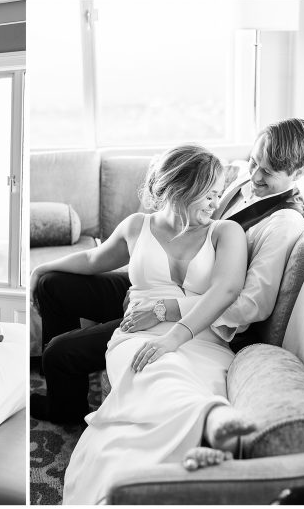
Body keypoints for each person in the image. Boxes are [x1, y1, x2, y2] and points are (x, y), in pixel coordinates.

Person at [31, 118, 304, 424]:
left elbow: (249, 303)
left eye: (267, 172)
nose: (254, 176)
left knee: (61, 352)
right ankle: (65, 390)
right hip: (152, 287)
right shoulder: (241, 184)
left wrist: (164, 310)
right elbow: (96, 257)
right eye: (253, 161)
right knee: (51, 283)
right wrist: (41, 267)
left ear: (297, 173)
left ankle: (65, 394)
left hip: (195, 311)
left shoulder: (283, 224)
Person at [34, 145, 253, 504]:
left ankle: (209, 422)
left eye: (218, 194)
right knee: (150, 363)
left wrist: (174, 334)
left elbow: (227, 290)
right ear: (182, 189)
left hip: (200, 334)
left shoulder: (225, 232)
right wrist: (40, 268)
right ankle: (208, 422)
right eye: (209, 194)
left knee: (171, 365)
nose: (215, 203)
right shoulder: (138, 226)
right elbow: (93, 258)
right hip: (134, 332)